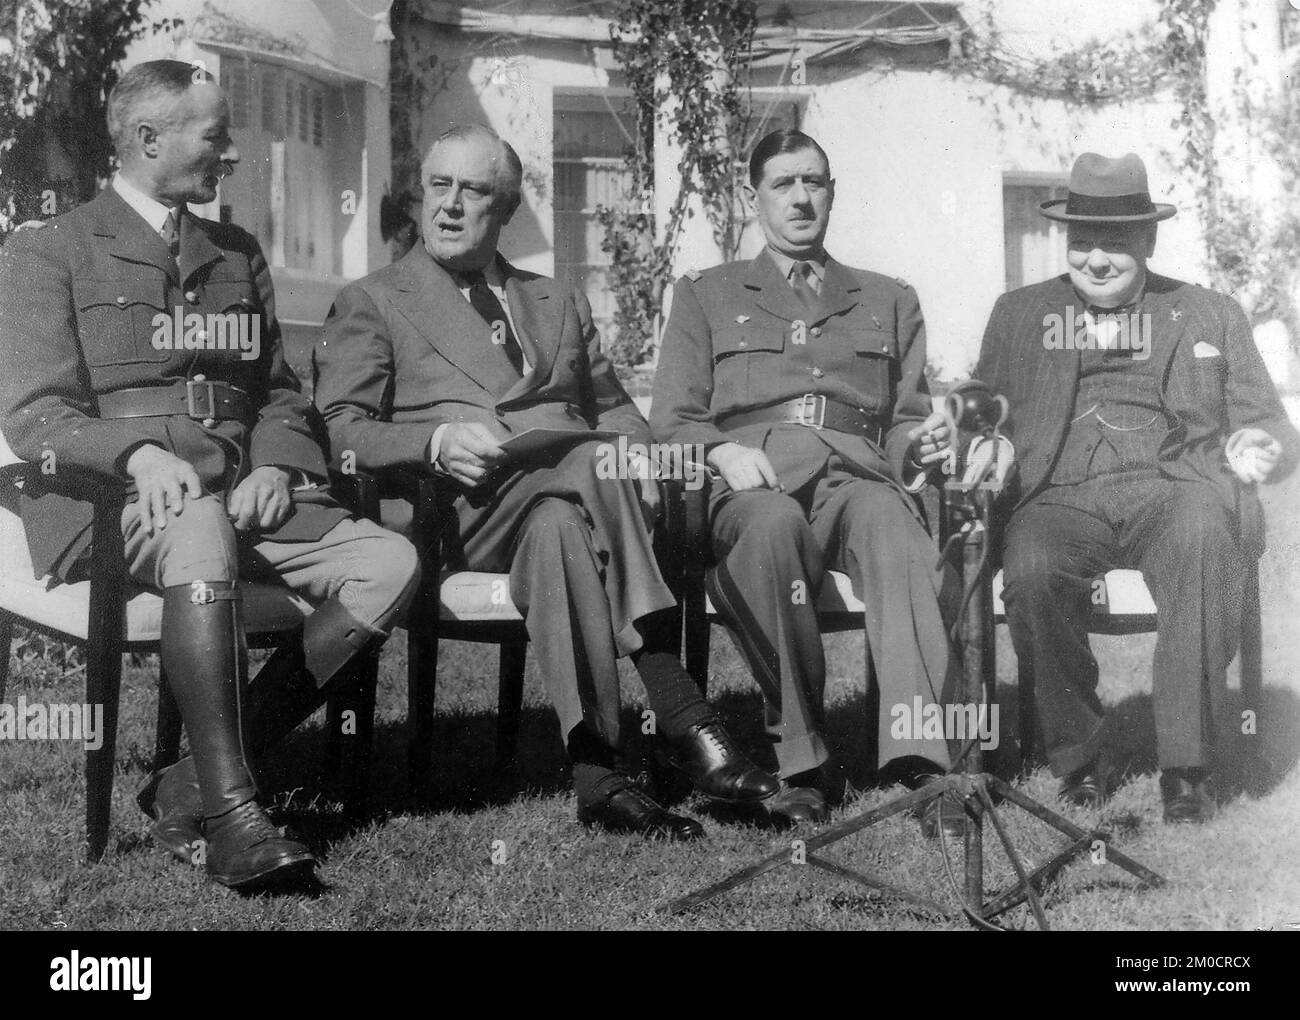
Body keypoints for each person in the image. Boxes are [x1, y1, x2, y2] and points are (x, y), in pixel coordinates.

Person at [0, 60, 421, 889]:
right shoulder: (51, 250)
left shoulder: (236, 252)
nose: (230, 155)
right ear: (149, 139)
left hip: (236, 493)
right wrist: (137, 454)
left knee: (388, 562)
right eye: (216, 136)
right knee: (194, 519)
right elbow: (35, 414)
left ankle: (189, 783)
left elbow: (279, 390)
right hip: (115, 502)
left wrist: (275, 464)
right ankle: (234, 820)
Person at [313, 123, 779, 840]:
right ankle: (684, 713)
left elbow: (615, 407)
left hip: (565, 507)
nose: (449, 206)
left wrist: (634, 460)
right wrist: (431, 441)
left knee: (564, 519)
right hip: (461, 507)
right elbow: (340, 427)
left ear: (504, 208)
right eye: (439, 186)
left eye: (473, 191)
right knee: (593, 465)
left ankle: (600, 777)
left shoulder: (554, 299)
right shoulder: (375, 298)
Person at [651, 129, 962, 833]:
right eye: (783, 183)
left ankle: (921, 760)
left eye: (813, 182)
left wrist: (923, 444)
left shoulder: (886, 297)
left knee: (892, 524)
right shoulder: (706, 293)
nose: (800, 197)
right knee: (772, 527)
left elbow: (905, 420)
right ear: (752, 196)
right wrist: (719, 452)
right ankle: (802, 760)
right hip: (750, 482)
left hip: (853, 477)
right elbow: (670, 420)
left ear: (831, 193)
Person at [975, 152, 1298, 823]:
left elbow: (1268, 420)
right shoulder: (1018, 314)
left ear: (1147, 242)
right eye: (1082, 242)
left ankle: (1188, 768)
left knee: (1208, 536)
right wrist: (989, 442)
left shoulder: (1208, 313)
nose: (1096, 260)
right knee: (1032, 567)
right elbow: (984, 412)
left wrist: (1258, 443)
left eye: (1115, 244)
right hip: (1061, 493)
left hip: (1173, 489)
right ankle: (1079, 759)